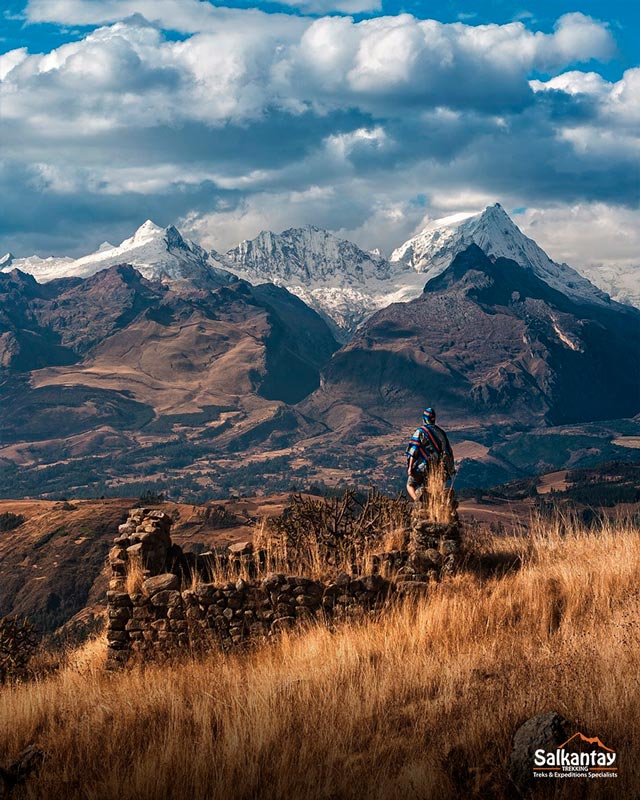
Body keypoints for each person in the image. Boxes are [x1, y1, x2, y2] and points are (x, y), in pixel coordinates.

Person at [405, 407, 455, 501]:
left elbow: (413, 450)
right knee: (433, 489)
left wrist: (410, 467)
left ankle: (418, 501)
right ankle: (435, 507)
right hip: (438, 469)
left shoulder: (420, 432)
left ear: (424, 418)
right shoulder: (441, 433)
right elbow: (448, 451)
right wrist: (449, 469)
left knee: (410, 484)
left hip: (422, 467)